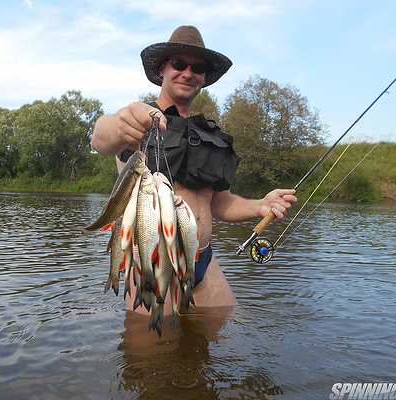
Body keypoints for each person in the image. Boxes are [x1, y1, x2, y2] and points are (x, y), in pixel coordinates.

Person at [91, 26, 297, 313]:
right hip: (154, 265)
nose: (187, 72)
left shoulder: (210, 134)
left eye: (197, 67)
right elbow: (102, 138)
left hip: (204, 262)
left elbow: (220, 203)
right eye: (178, 63)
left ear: (203, 77)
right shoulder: (137, 121)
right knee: (148, 357)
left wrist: (260, 205)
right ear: (162, 68)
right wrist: (118, 123)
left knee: (225, 341)